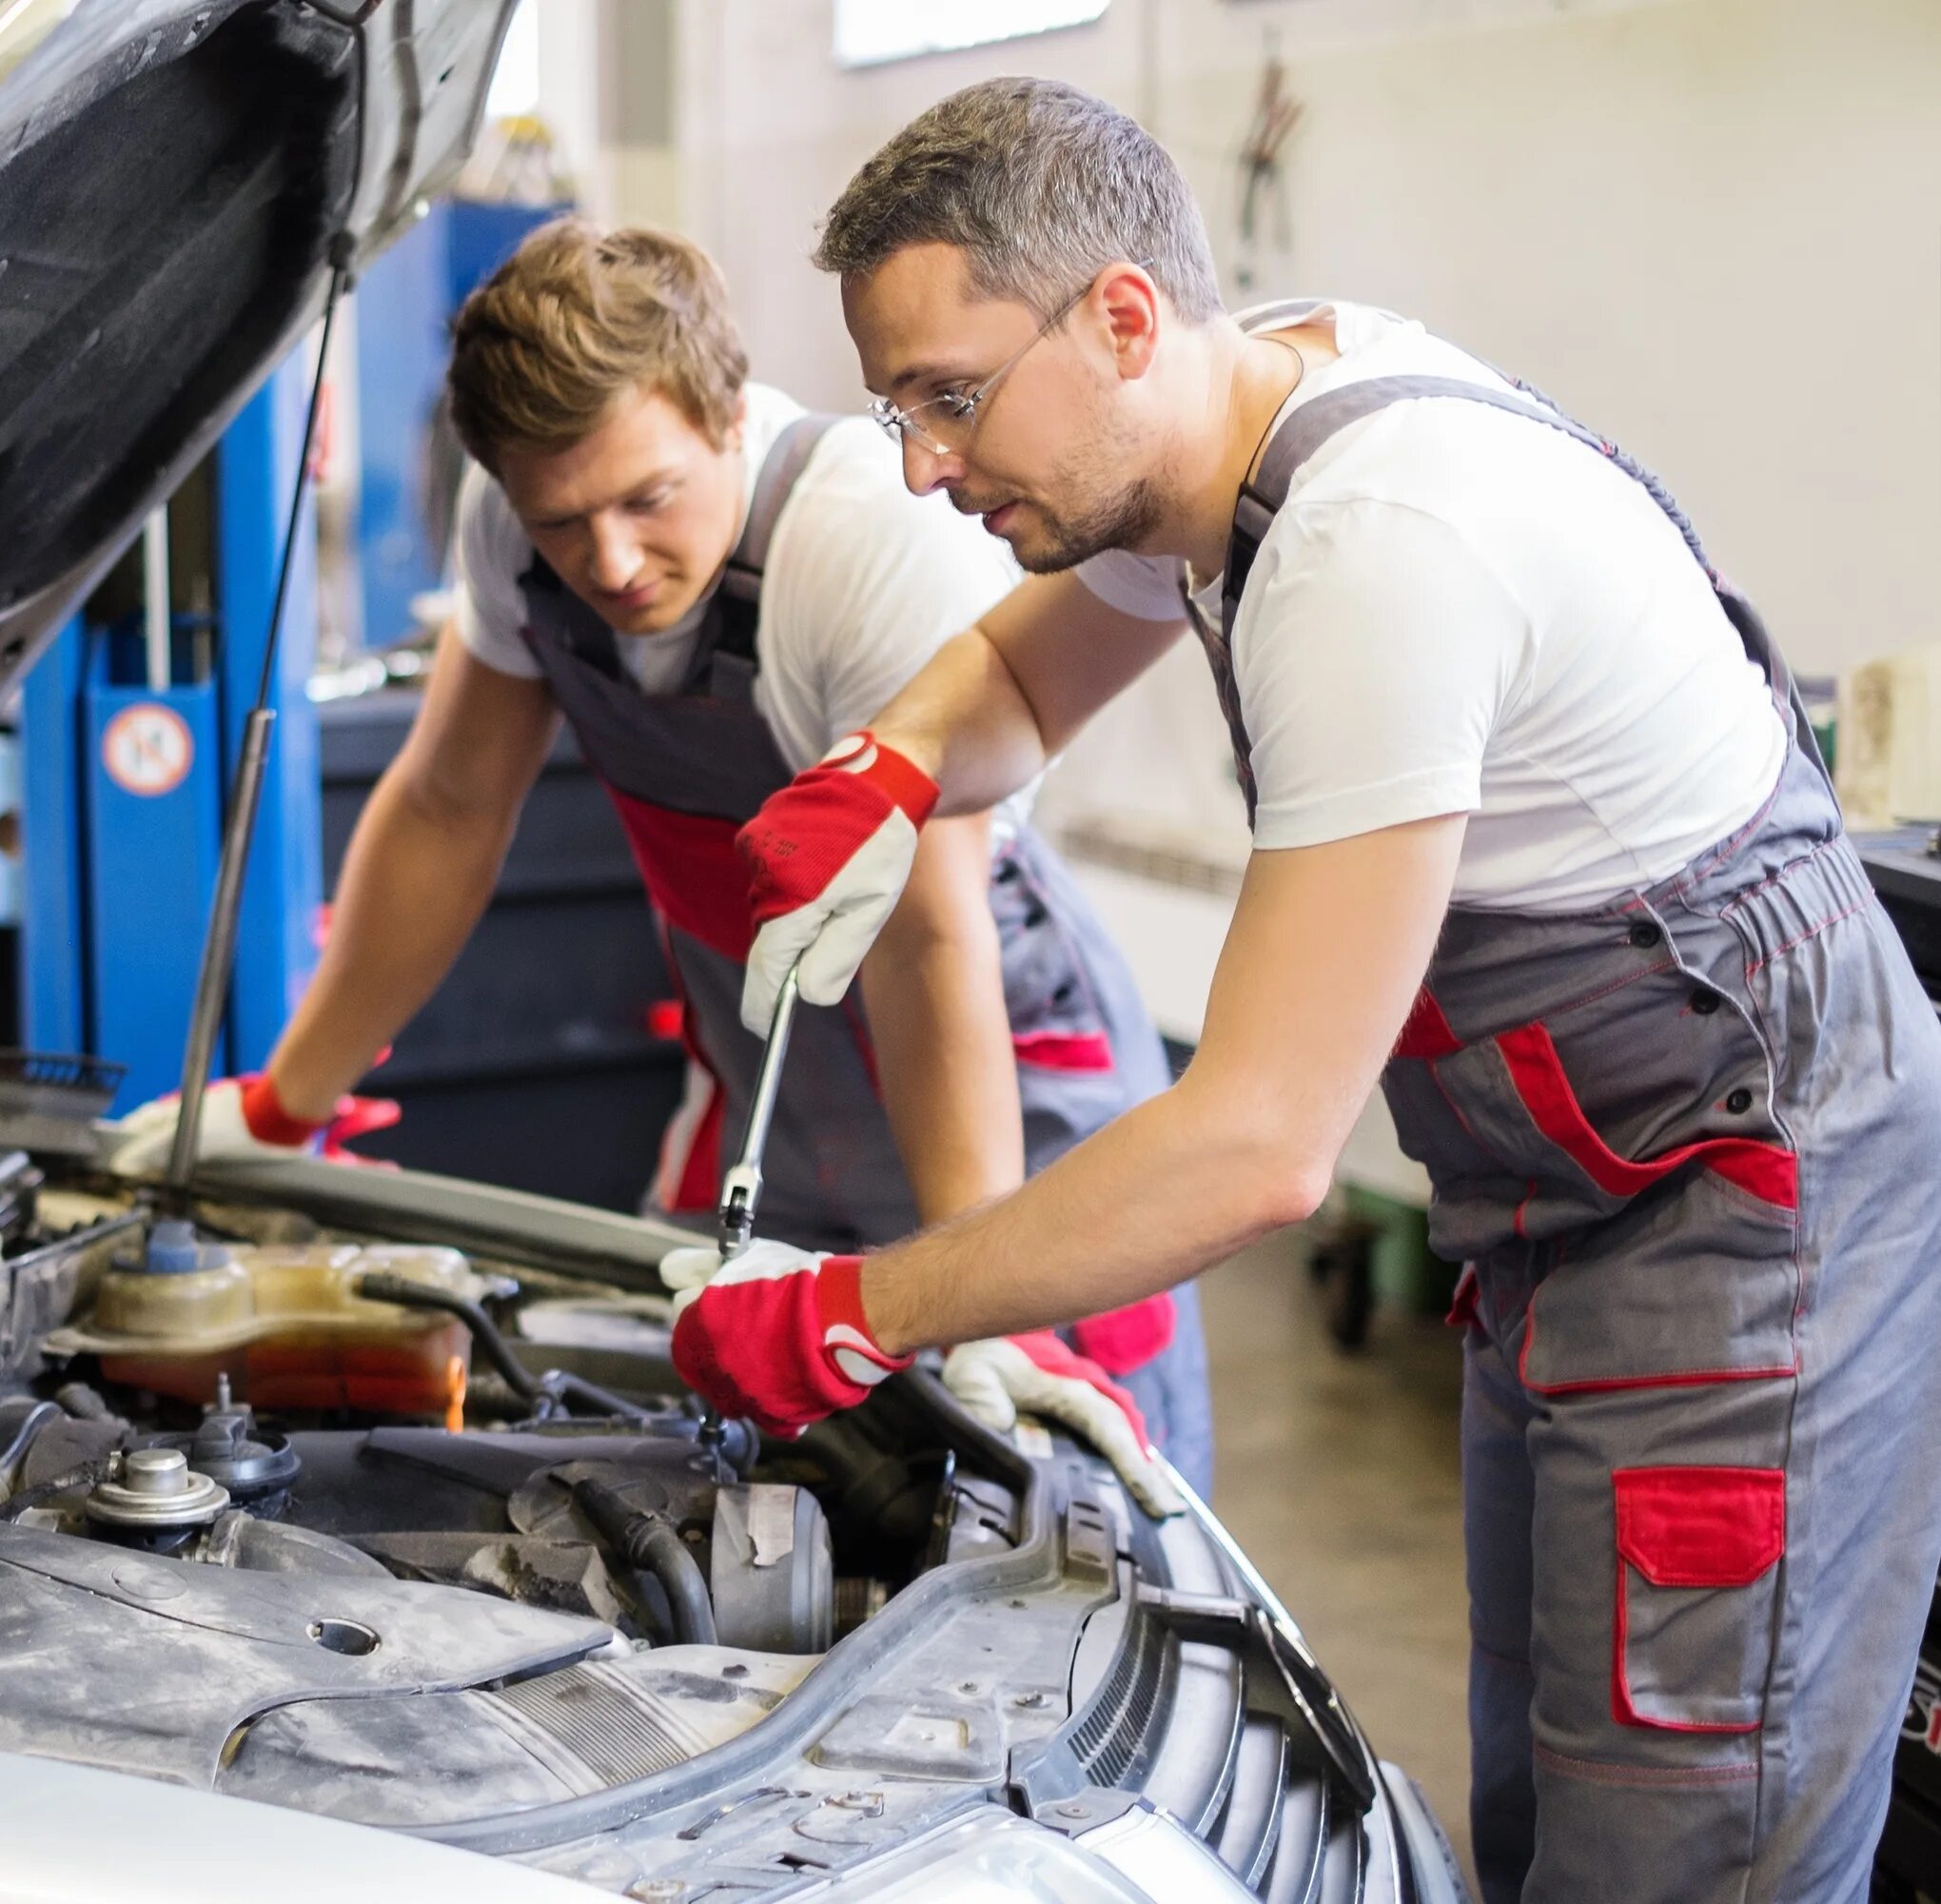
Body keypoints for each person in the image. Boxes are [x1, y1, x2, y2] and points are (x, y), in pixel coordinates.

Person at [666, 76, 1941, 1904]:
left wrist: (859, 1310)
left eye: (950, 397)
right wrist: (888, 762)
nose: (926, 464)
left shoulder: (1371, 547)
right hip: (1577, 1218)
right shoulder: (1222, 406)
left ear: (1118, 312)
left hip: (1749, 1224)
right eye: (895, 407)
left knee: (1685, 1850)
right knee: (1554, 1807)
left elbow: (1257, 1146)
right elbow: (1025, 688)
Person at [118, 218, 1209, 1489]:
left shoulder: (860, 547)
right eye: (565, 520)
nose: (612, 562)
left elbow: (925, 933)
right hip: (767, 1068)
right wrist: (285, 1102)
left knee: (1062, 1494)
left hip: (998, 1072)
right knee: (682, 1445)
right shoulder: (520, 523)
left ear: (728, 413)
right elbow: (449, 807)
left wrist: (983, 1283)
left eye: (648, 499)